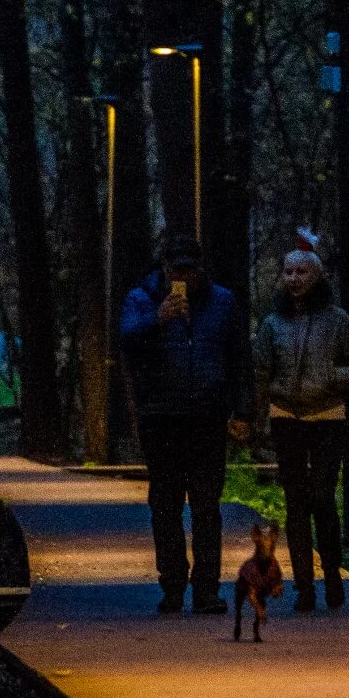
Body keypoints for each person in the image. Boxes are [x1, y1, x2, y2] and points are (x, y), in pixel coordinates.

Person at [120, 234, 244, 614]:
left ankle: (207, 588)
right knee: (166, 504)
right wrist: (158, 320)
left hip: (207, 416)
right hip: (161, 417)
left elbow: (238, 357)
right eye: (178, 270)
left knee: (207, 505)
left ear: (201, 268)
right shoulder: (141, 300)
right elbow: (127, 342)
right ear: (165, 268)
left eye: (191, 269)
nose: (184, 278)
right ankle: (172, 584)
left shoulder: (222, 301)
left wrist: (241, 411)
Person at [254, 245, 349, 610]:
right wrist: (261, 405)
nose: (293, 279)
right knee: (295, 504)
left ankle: (332, 573)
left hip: (326, 419)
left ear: (317, 276)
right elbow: (259, 370)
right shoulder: (273, 323)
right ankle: (304, 587)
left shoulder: (337, 320)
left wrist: (332, 378)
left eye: (301, 272)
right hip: (286, 418)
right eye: (288, 272)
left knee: (322, 497)